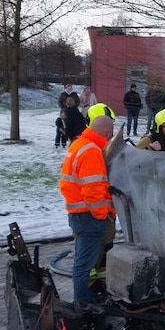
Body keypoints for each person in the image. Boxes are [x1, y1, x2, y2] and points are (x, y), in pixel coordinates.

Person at [59, 106, 116, 311]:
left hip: (78, 215)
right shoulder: (92, 152)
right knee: (83, 267)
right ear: (107, 133)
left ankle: (83, 302)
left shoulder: (79, 145)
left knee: (83, 265)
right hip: (90, 218)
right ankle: (83, 306)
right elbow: (92, 191)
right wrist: (103, 215)